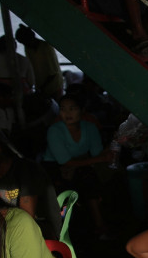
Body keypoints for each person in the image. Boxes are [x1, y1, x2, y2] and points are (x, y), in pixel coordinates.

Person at [42, 92, 111, 237]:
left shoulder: (90, 128)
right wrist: (97, 160)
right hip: (54, 167)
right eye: (63, 109)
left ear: (81, 110)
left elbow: (97, 153)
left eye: (72, 108)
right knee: (77, 180)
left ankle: (100, 225)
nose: (67, 113)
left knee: (91, 176)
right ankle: (63, 228)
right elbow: (64, 162)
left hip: (81, 166)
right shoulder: (55, 130)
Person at [14, 24, 64, 101]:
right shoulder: (28, 49)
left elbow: (53, 72)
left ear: (30, 39)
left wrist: (41, 88)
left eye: (25, 42)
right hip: (41, 87)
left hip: (54, 86)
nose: (25, 45)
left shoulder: (46, 47)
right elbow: (31, 66)